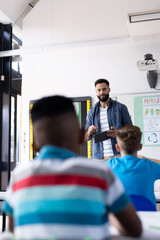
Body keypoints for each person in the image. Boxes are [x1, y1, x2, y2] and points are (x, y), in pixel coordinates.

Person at [3, 95, 141, 239]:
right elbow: (134, 229)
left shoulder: (19, 176)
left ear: (34, 146)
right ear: (82, 135)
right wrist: (110, 217)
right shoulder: (100, 173)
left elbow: (12, 231)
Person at [106, 124, 160, 210]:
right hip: (147, 214)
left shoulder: (109, 165)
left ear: (117, 147)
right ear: (140, 147)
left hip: (121, 216)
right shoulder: (149, 166)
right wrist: (146, 158)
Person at [85, 78, 132, 160]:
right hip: (99, 157)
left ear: (109, 90)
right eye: (98, 90)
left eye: (104, 89)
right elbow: (86, 137)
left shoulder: (121, 108)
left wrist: (118, 133)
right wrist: (89, 132)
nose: (101, 92)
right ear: (96, 91)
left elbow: (131, 131)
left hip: (119, 154)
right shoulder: (91, 112)